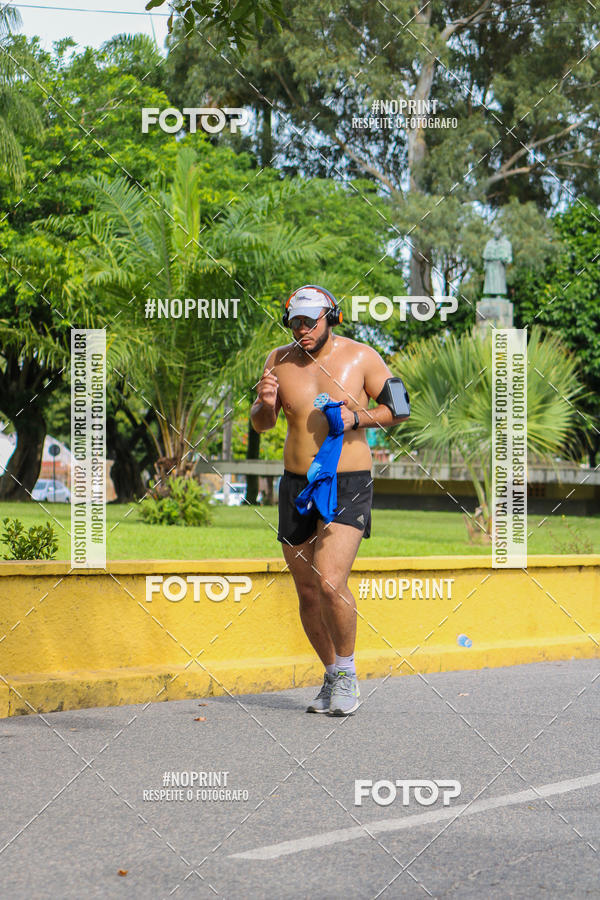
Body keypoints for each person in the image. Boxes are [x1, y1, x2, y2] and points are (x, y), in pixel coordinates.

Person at [250, 285, 409, 716]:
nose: (301, 330)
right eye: (294, 322)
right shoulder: (278, 361)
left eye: (309, 322)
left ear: (330, 318)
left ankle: (349, 673)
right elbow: (263, 423)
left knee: (329, 581)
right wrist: (264, 405)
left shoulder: (362, 357)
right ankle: (331, 674)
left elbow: (399, 408)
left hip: (348, 482)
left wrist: (356, 416)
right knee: (305, 590)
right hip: (295, 484)